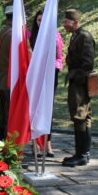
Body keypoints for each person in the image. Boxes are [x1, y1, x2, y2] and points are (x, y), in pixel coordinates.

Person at [61, 9, 96, 167]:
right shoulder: (76, 36)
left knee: (80, 117)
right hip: (77, 80)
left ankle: (81, 154)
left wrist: (77, 78)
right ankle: (83, 153)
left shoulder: (84, 36)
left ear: (75, 22)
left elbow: (88, 63)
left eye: (67, 21)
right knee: (82, 117)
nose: (64, 24)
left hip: (80, 83)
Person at [27, 11, 64, 157]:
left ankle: (48, 143)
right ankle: (35, 142)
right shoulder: (31, 36)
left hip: (50, 76)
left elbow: (59, 57)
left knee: (48, 110)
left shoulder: (55, 36)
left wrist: (52, 67)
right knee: (35, 109)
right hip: (35, 76)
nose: (40, 23)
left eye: (43, 20)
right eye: (38, 20)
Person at [0, 6, 13, 140]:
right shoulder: (13, 35)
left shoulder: (2, 33)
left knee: (2, 114)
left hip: (0, 78)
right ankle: (4, 145)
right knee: (8, 115)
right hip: (9, 80)